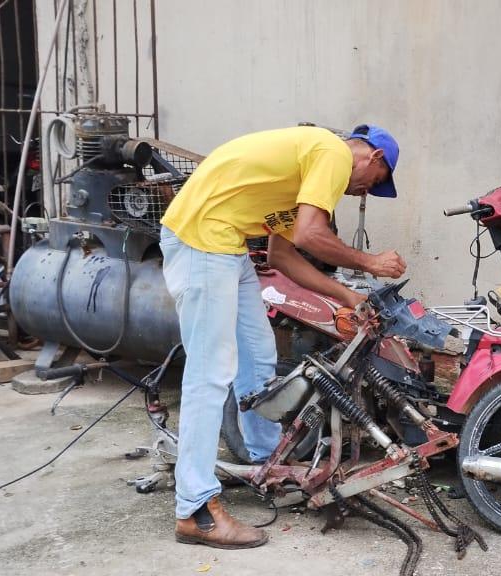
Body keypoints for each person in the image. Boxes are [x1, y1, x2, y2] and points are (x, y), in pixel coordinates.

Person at [158, 124, 407, 549]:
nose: (362, 193)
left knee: (258, 355)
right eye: (374, 184)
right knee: (210, 373)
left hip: (226, 246)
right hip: (202, 243)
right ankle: (195, 510)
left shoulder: (307, 173)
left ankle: (267, 462)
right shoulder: (331, 152)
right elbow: (312, 235)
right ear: (374, 158)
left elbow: (283, 254)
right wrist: (369, 262)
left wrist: (348, 296)